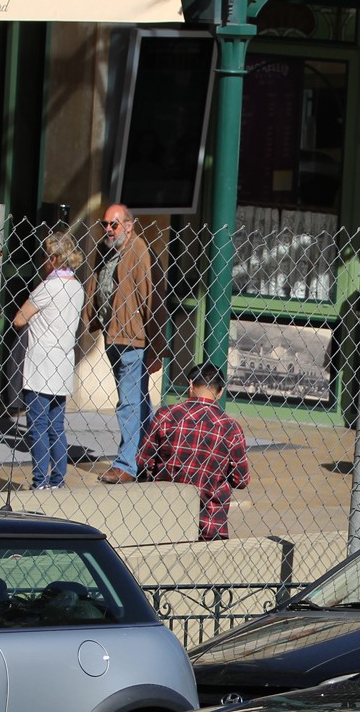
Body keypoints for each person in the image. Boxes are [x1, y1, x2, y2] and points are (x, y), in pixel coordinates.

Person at [84, 204, 162, 484]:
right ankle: (153, 457)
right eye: (103, 224)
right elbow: (96, 285)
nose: (107, 230)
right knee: (138, 401)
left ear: (129, 225)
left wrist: (155, 347)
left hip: (134, 339)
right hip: (112, 335)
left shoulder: (139, 250)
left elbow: (153, 299)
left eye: (113, 225)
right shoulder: (105, 249)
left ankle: (127, 464)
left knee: (129, 403)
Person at [138, 363, 250, 541]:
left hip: (164, 518)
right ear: (220, 392)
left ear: (190, 384)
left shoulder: (166, 415)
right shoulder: (230, 428)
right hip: (210, 525)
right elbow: (241, 480)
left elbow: (144, 461)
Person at [11, 231, 84, 491]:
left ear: (53, 258)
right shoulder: (77, 287)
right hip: (63, 362)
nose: (43, 260)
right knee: (56, 426)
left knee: (38, 425)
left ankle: (40, 480)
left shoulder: (47, 287)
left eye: (45, 255)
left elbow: (19, 318)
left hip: (41, 364)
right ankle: (58, 480)